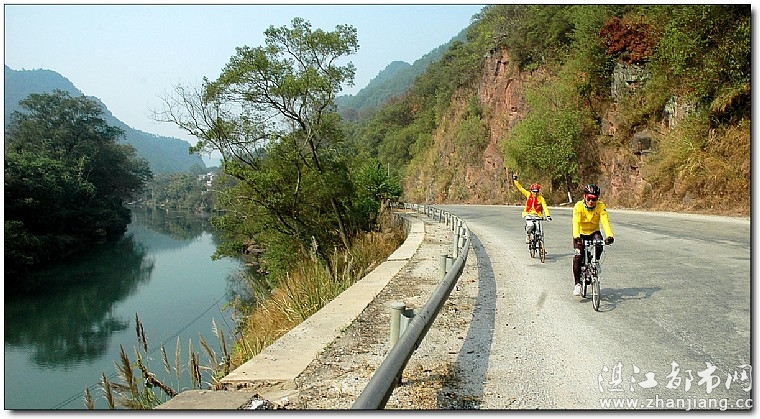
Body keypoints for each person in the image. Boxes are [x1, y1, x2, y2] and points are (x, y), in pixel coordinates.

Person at [572, 184, 614, 296]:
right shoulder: (578, 206)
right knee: (578, 256)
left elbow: (605, 221)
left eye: (594, 199)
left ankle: (595, 261)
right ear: (584, 197)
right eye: (589, 198)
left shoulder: (600, 206)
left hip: (594, 232)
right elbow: (576, 222)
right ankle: (577, 284)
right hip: (580, 234)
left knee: (600, 243)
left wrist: (609, 236)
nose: (591, 201)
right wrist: (576, 237)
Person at [512, 174, 551, 244]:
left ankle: (540, 243)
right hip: (528, 214)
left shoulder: (541, 198)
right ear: (531, 191)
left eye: (536, 191)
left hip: (538, 215)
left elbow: (545, 207)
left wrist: (548, 216)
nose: (535, 193)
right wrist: (515, 180)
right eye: (533, 191)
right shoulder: (528, 194)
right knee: (530, 225)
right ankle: (528, 235)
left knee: (539, 230)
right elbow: (520, 188)